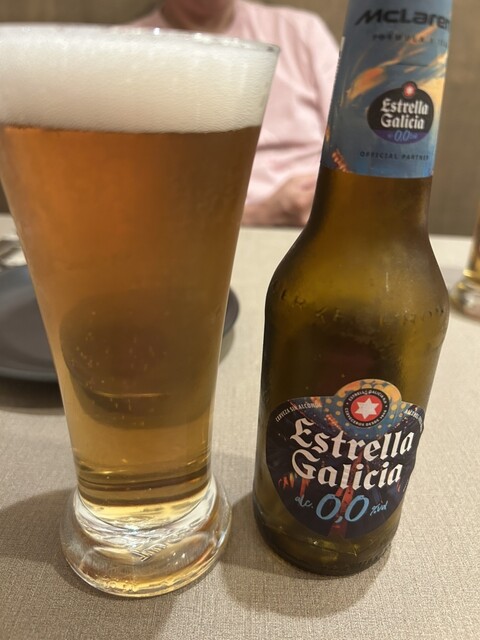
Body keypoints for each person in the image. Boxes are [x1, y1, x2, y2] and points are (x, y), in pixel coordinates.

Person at [133, 1, 339, 226]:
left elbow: (351, 136)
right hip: (218, 227)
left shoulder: (301, 29)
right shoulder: (127, 49)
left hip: (328, 213)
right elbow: (139, 205)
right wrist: (258, 215)